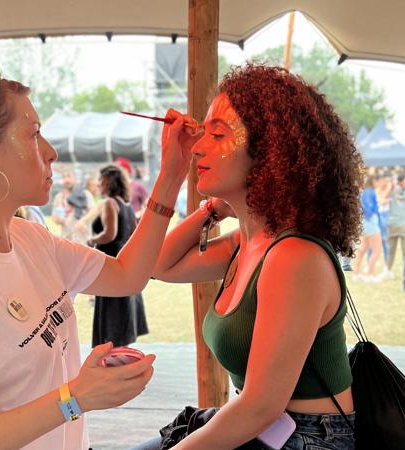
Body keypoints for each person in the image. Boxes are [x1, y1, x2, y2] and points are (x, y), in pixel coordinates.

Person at [0, 60, 191, 450]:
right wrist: (75, 398)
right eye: (34, 134)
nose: (51, 151)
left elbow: (128, 275)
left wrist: (172, 175)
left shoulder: (28, 238)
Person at [142, 64, 361, 449]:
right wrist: (210, 207)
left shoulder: (294, 256)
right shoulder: (245, 244)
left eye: (218, 134)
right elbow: (157, 265)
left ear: (268, 151)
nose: (197, 147)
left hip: (307, 438)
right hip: (263, 427)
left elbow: (260, 406)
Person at [88, 165, 149, 347]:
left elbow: (109, 234)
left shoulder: (109, 204)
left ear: (109, 182)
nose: (98, 183)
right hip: (125, 262)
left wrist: (91, 240)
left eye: (101, 179)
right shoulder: (127, 205)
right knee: (122, 313)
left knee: (111, 317)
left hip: (111, 263)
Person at [353, 175, 383, 282]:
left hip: (363, 223)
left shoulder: (364, 192)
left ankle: (356, 274)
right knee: (376, 250)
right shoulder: (370, 191)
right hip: (371, 223)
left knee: (362, 249)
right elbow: (370, 209)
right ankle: (370, 274)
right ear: (374, 180)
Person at [52, 170, 95, 244]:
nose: (66, 180)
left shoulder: (86, 194)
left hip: (83, 241)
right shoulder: (59, 197)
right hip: (67, 241)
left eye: (69, 176)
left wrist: (84, 221)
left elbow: (94, 212)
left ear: (75, 178)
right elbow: (54, 218)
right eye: (64, 177)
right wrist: (58, 219)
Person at [386, 174, 405, 275]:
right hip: (396, 224)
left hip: (400, 224)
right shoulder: (398, 190)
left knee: (397, 249)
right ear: (400, 182)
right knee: (397, 250)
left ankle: (389, 269)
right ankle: (389, 269)